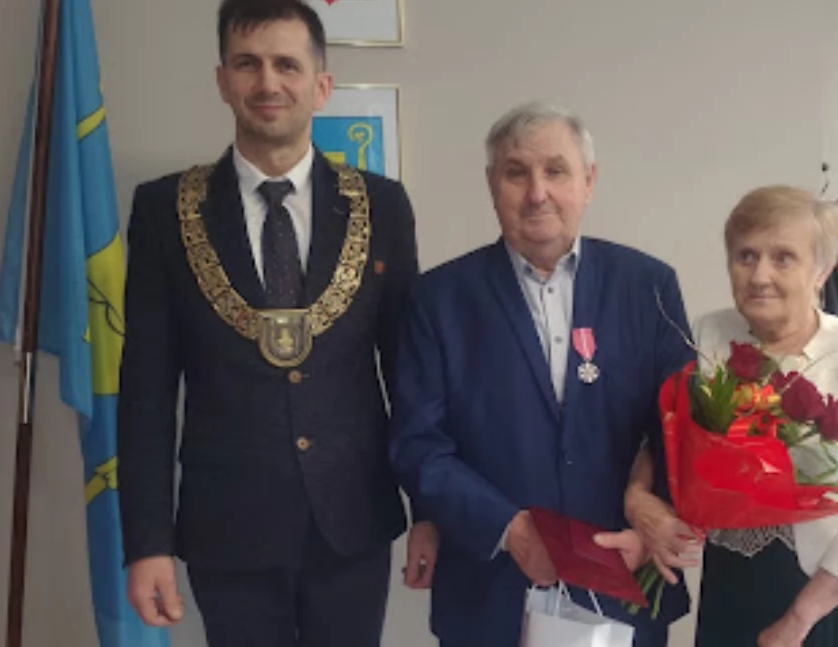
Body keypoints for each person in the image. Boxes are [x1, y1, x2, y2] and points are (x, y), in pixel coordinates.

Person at [116, 1, 436, 645]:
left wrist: (428, 511)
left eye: (287, 65)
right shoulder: (163, 210)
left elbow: (409, 378)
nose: (268, 83)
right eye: (248, 64)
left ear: (321, 86)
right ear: (222, 80)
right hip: (226, 528)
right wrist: (146, 543)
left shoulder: (382, 206)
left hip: (351, 521)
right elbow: (145, 395)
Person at [387, 101, 694, 647]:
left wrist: (654, 517)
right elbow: (418, 446)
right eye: (516, 173)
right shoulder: (438, 301)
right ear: (491, 185)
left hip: (623, 576)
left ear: (589, 180)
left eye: (555, 170)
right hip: (490, 593)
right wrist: (510, 530)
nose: (536, 193)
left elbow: (681, 427)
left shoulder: (647, 287)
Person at [624, 185, 838, 646]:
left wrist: (799, 620)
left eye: (783, 258)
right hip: (736, 581)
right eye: (746, 256)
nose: (760, 275)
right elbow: (667, 429)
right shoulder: (709, 333)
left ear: (821, 270)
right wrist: (638, 494)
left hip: (837, 590)